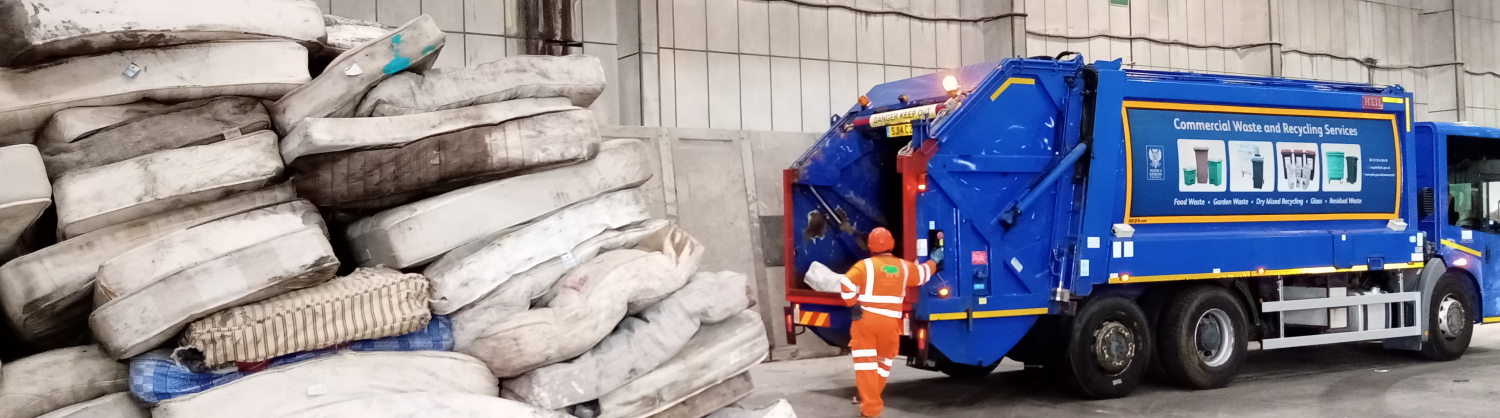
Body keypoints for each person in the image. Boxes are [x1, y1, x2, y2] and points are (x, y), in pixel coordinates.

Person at [839, 227, 937, 417]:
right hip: (889, 323)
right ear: (891, 244)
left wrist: (854, 304)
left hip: (865, 321)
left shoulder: (864, 266)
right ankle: (873, 395)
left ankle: (870, 407)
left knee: (866, 365)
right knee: (883, 362)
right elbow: (922, 275)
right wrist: (934, 261)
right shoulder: (902, 267)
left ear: (871, 246)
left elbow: (846, 284)